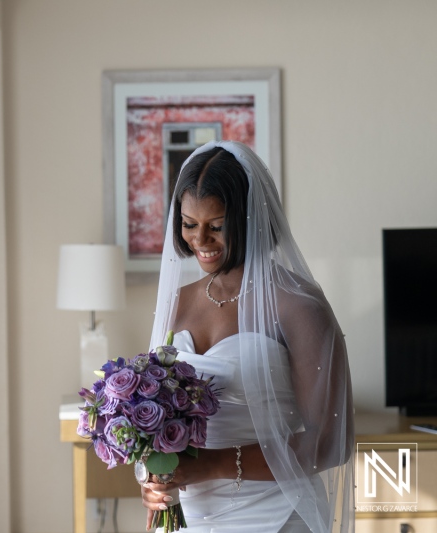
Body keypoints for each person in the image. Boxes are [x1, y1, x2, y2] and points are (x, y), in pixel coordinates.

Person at [141, 141, 354, 532]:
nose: (200, 240)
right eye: (189, 224)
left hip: (275, 516)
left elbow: (331, 442)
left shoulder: (298, 306)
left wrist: (211, 466)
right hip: (189, 519)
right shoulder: (177, 303)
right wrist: (152, 479)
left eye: (216, 226)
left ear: (249, 219)